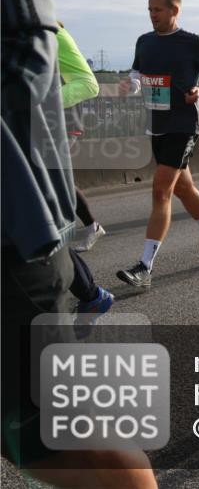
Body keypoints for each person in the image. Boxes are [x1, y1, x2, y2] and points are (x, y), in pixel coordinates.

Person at [2, 0, 157, 488]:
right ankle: (89, 280)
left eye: (160, 7)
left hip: (18, 211)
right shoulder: (148, 48)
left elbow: (65, 78)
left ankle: (100, 273)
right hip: (46, 173)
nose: (154, 17)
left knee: (47, 439)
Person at [116, 0, 199, 288]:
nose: (153, 15)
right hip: (157, 124)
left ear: (174, 10)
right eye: (150, 10)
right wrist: (132, 86)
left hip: (185, 123)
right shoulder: (145, 41)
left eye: (158, 10)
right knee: (183, 188)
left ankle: (144, 267)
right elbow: (138, 77)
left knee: (161, 190)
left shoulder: (192, 42)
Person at [55, 23, 115, 320]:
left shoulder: (48, 32)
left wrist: (38, 102)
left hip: (59, 123)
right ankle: (90, 295)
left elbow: (88, 84)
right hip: (33, 128)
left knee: (48, 202)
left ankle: (89, 293)